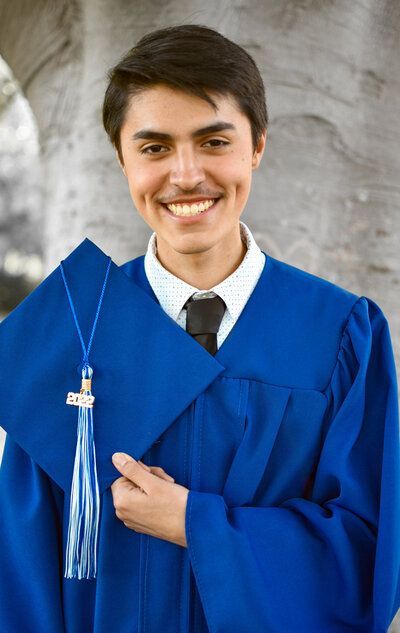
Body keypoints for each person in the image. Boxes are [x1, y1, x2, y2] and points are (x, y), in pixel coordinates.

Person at [1, 23, 399, 633]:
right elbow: (19, 576)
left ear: (257, 145)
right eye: (154, 148)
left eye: (214, 141)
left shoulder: (340, 334)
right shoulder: (73, 332)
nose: (186, 175)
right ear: (122, 160)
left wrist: (197, 523)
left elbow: (366, 559)